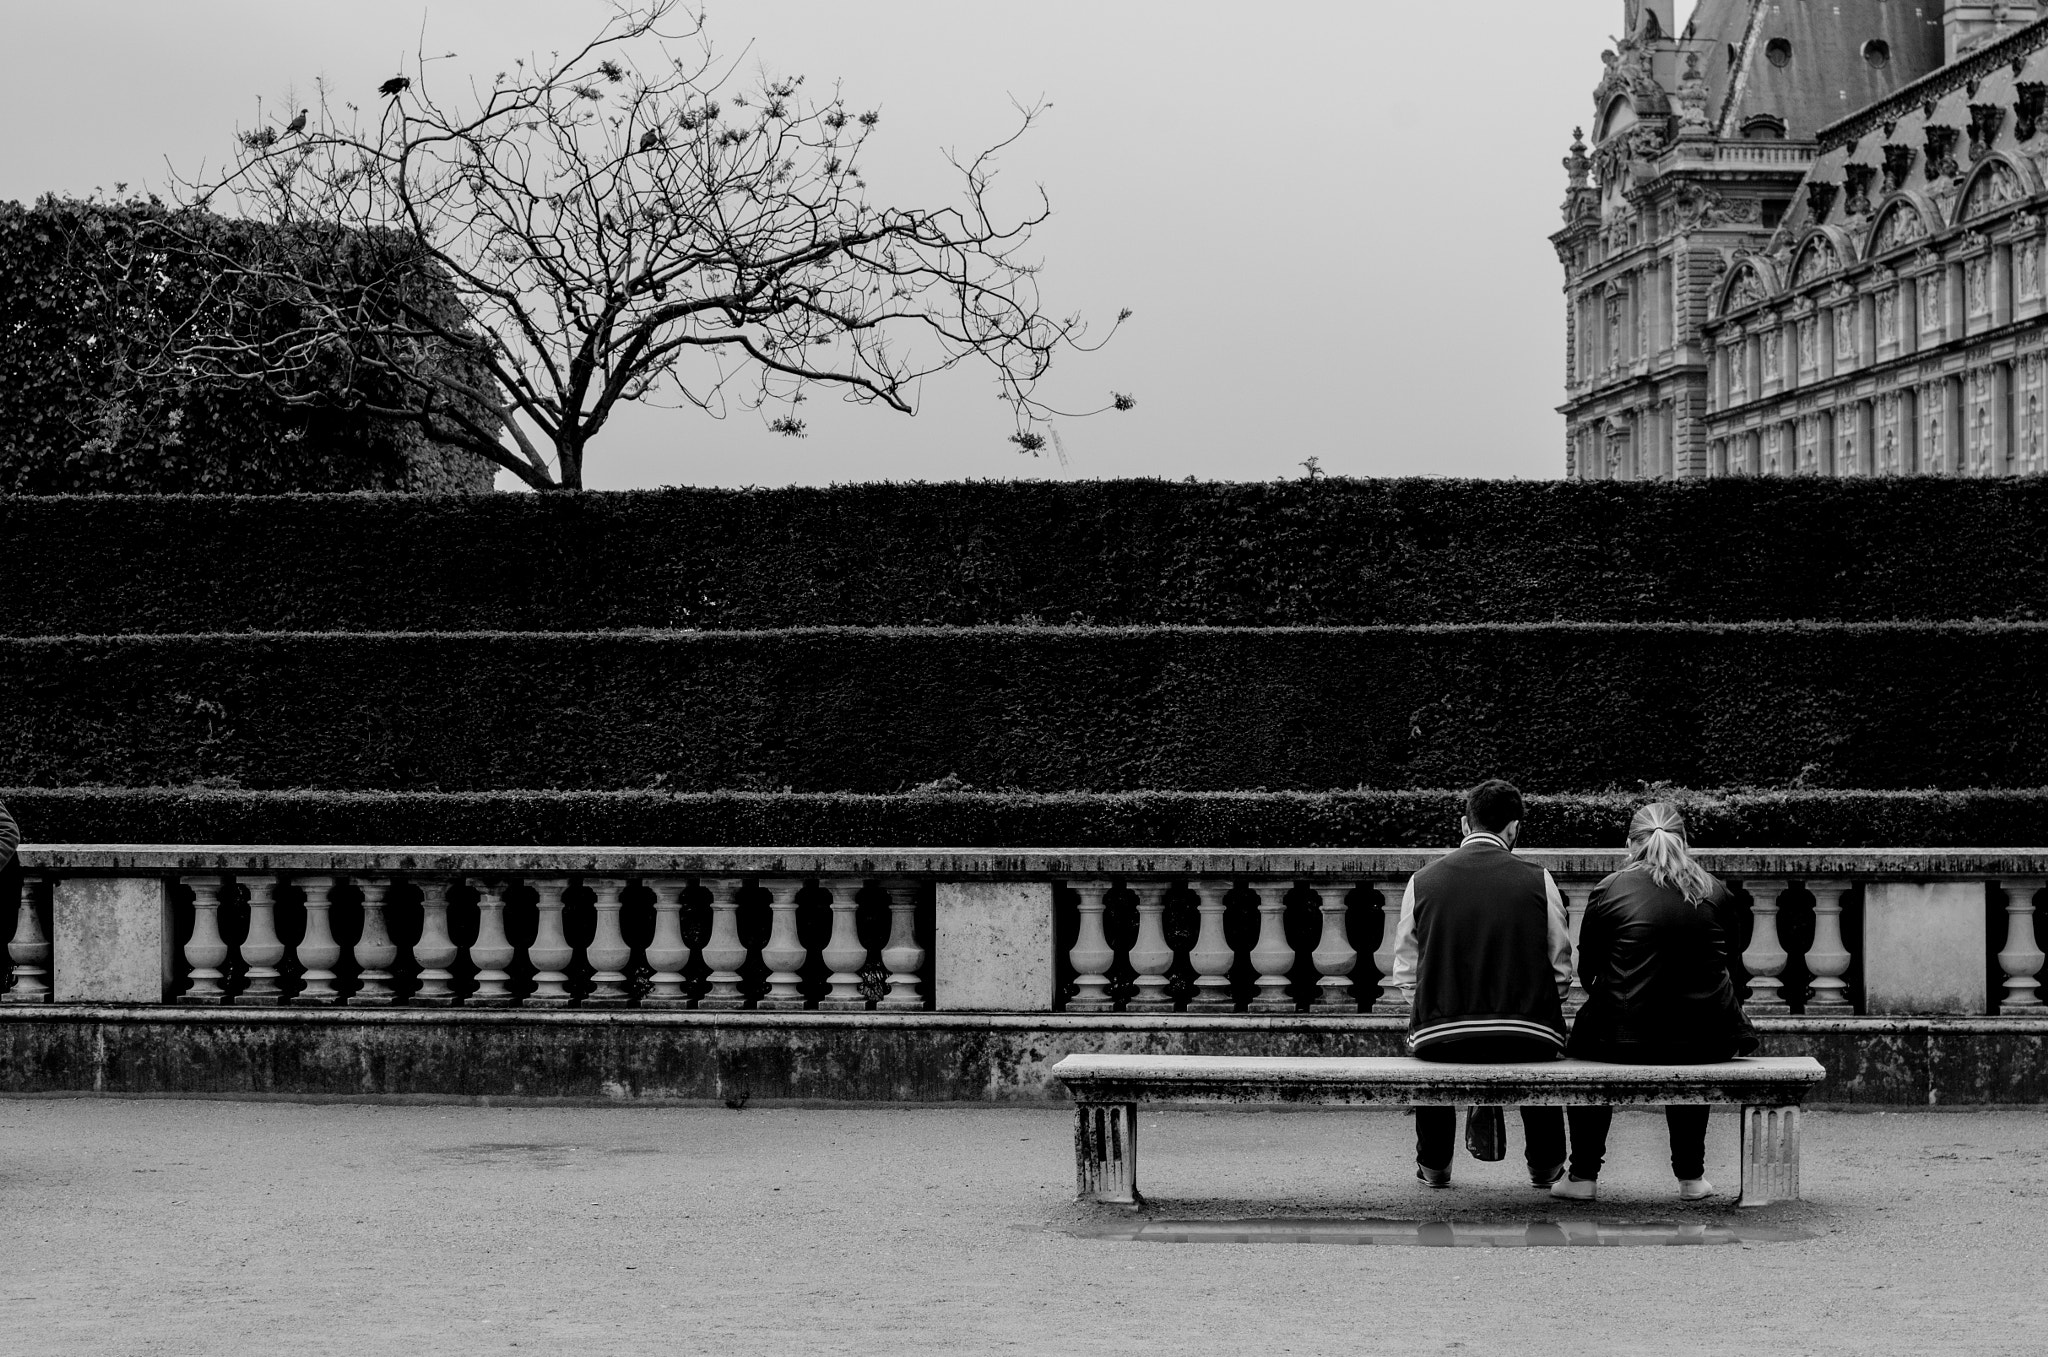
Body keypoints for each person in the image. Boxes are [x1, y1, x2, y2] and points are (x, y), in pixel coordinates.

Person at [1553, 801, 1758, 1204]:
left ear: (1629, 844)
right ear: (1685, 842)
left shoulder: (1610, 888)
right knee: (1688, 1036)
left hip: (1622, 1037)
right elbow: (1731, 966)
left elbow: (1589, 967)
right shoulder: (1715, 890)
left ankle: (1582, 1176)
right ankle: (1691, 1178)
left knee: (1585, 1045)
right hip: (1708, 1038)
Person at [1389, 779, 1575, 1189]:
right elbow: (1560, 966)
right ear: (1514, 829)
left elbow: (1406, 972)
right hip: (1527, 1033)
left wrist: (1436, 1006)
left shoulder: (1423, 881)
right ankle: (1545, 1166)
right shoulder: (1538, 878)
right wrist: (1539, 1004)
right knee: (1536, 1044)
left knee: (1431, 1050)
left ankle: (1434, 1166)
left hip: (1443, 1032)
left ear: (1463, 824)